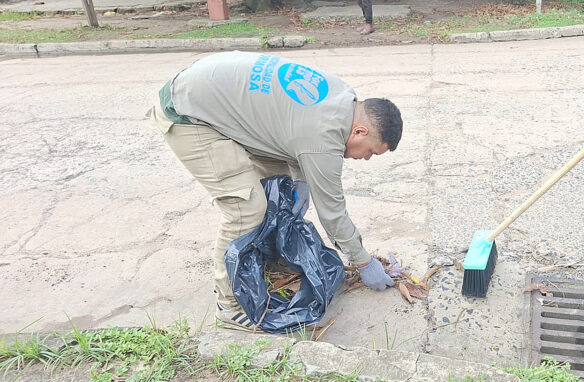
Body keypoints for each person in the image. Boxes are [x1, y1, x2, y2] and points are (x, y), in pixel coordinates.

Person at [148, 51, 402, 330]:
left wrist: (300, 180)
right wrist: (363, 263)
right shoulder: (325, 136)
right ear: (360, 132)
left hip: (212, 85)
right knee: (246, 208)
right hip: (188, 113)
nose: (365, 159)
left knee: (277, 194)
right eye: (371, 153)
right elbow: (332, 213)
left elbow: (291, 131)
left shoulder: (344, 98)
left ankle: (264, 262)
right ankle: (230, 305)